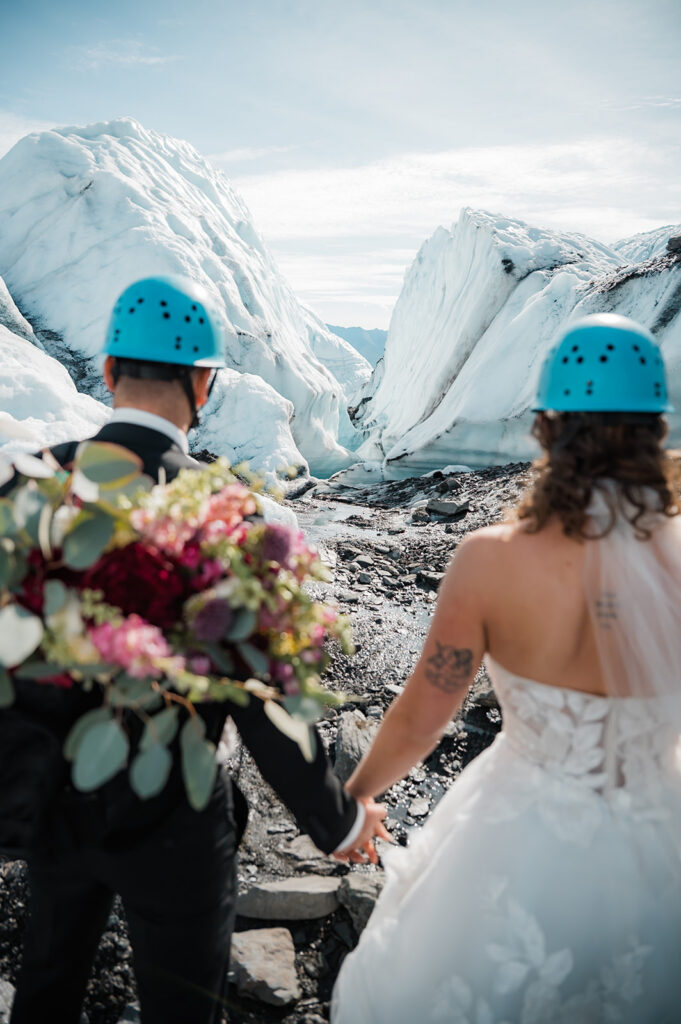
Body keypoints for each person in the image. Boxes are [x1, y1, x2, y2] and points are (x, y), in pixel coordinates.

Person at [7, 275, 387, 1024]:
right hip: (173, 817)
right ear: (205, 384)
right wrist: (336, 820)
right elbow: (262, 696)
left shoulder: (32, 484)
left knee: (47, 987)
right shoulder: (228, 512)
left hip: (48, 795)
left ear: (110, 372)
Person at [331, 313, 681, 1024]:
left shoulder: (489, 560)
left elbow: (424, 713)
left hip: (516, 829)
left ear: (546, 427)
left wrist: (357, 796)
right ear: (654, 429)